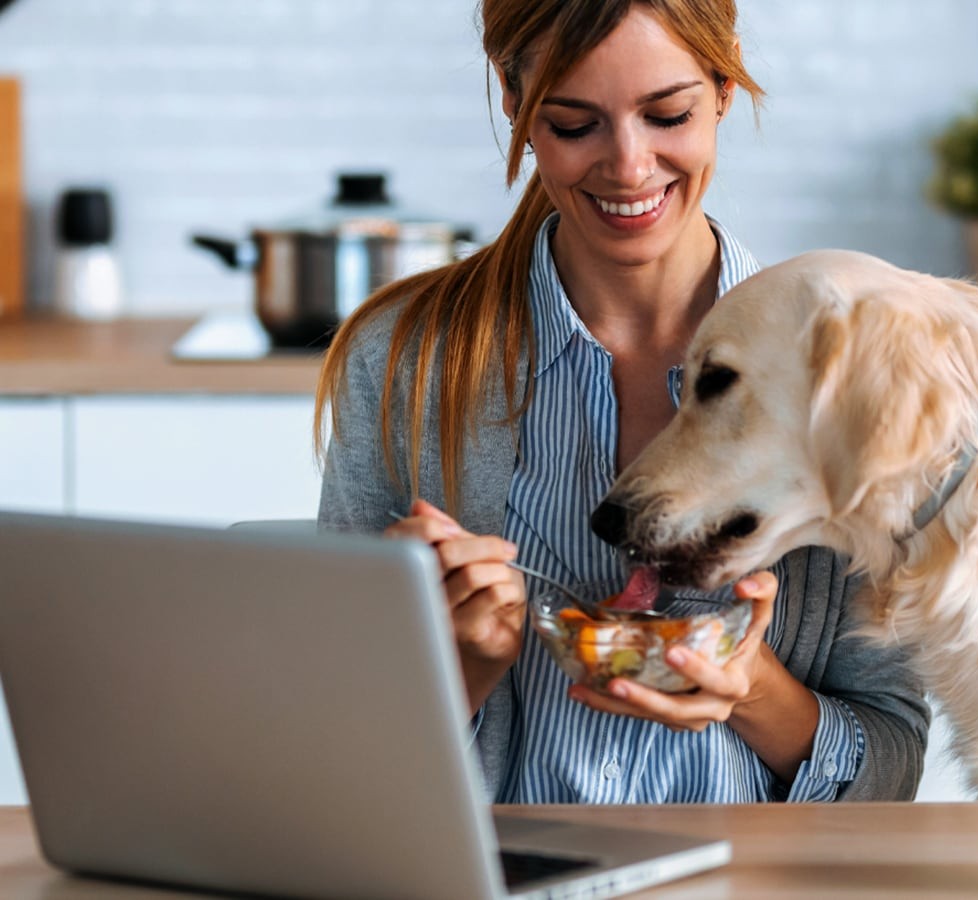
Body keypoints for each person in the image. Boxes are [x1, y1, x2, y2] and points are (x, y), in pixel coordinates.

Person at [315, 0, 929, 803]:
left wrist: (752, 692)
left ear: (723, 87)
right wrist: (456, 672)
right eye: (574, 125)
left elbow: (892, 765)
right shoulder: (403, 361)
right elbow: (334, 752)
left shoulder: (842, 374)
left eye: (667, 113)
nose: (630, 168)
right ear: (513, 99)